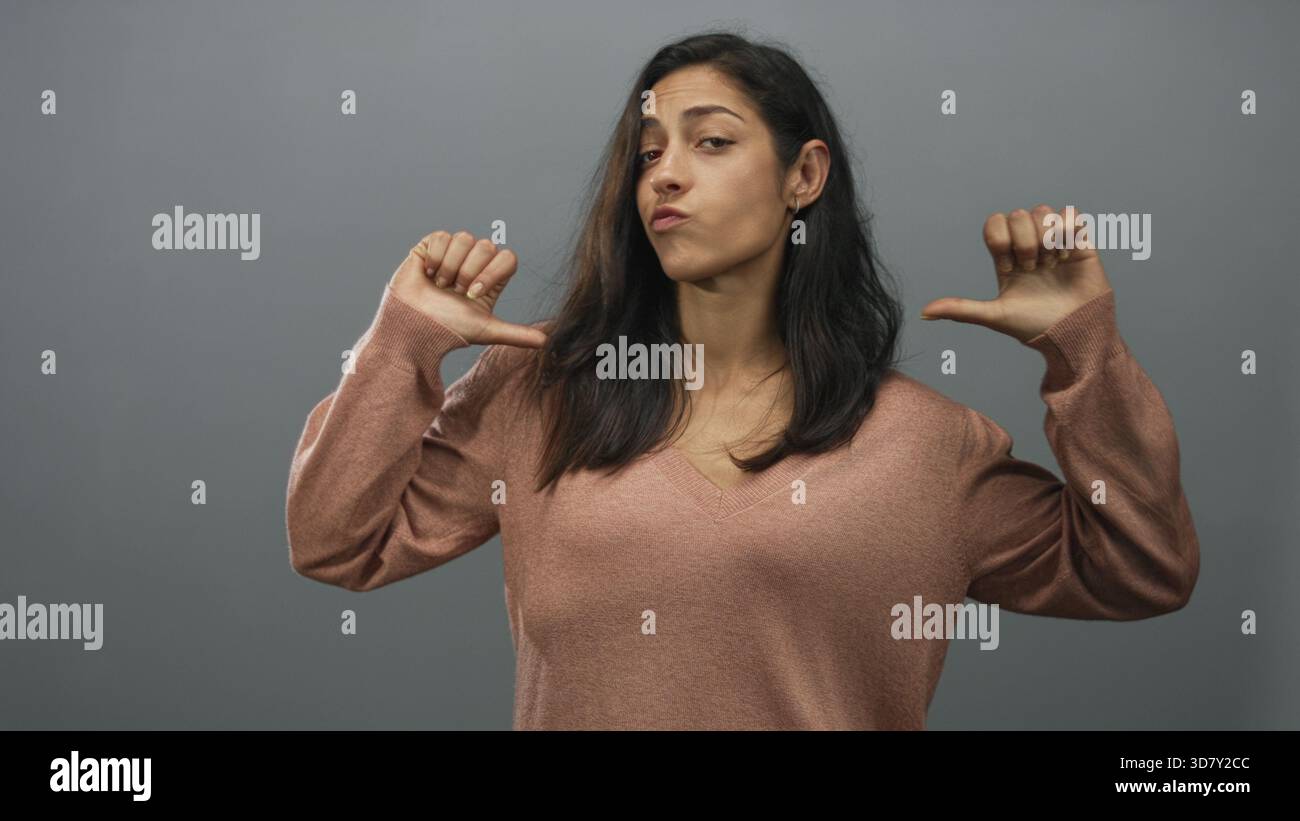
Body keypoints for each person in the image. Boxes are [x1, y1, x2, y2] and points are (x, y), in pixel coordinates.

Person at [284, 30, 1199, 730]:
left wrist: (1083, 352)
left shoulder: (925, 446)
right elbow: (334, 542)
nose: (666, 174)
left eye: (711, 142)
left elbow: (1144, 569)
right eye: (648, 153)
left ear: (805, 175)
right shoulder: (543, 393)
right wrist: (401, 344)